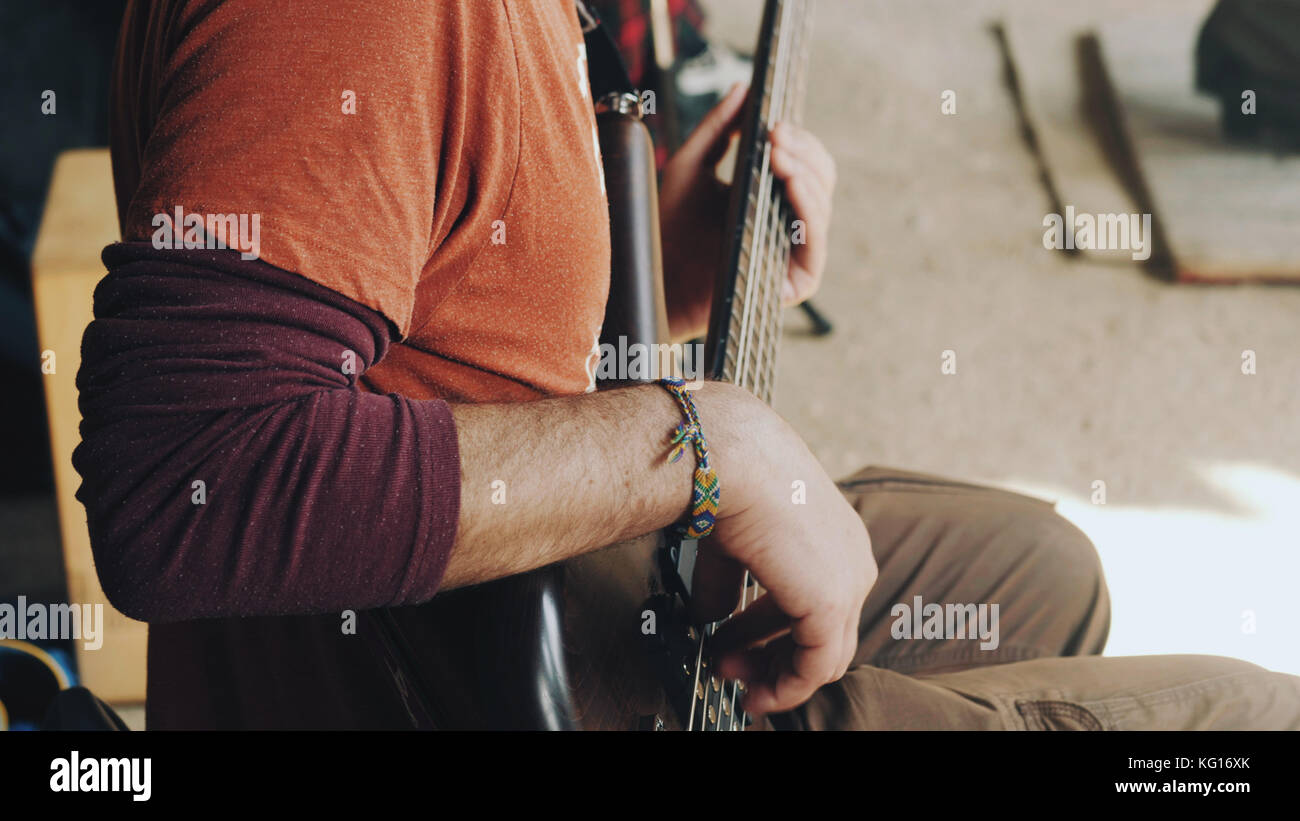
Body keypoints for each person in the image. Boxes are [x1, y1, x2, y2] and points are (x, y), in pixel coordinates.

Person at [74, 0, 1300, 730]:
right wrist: (704, 442)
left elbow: (444, 324)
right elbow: (186, 483)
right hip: (468, 691)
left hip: (542, 604)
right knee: (1245, 721)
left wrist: (667, 258)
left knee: (1037, 575)